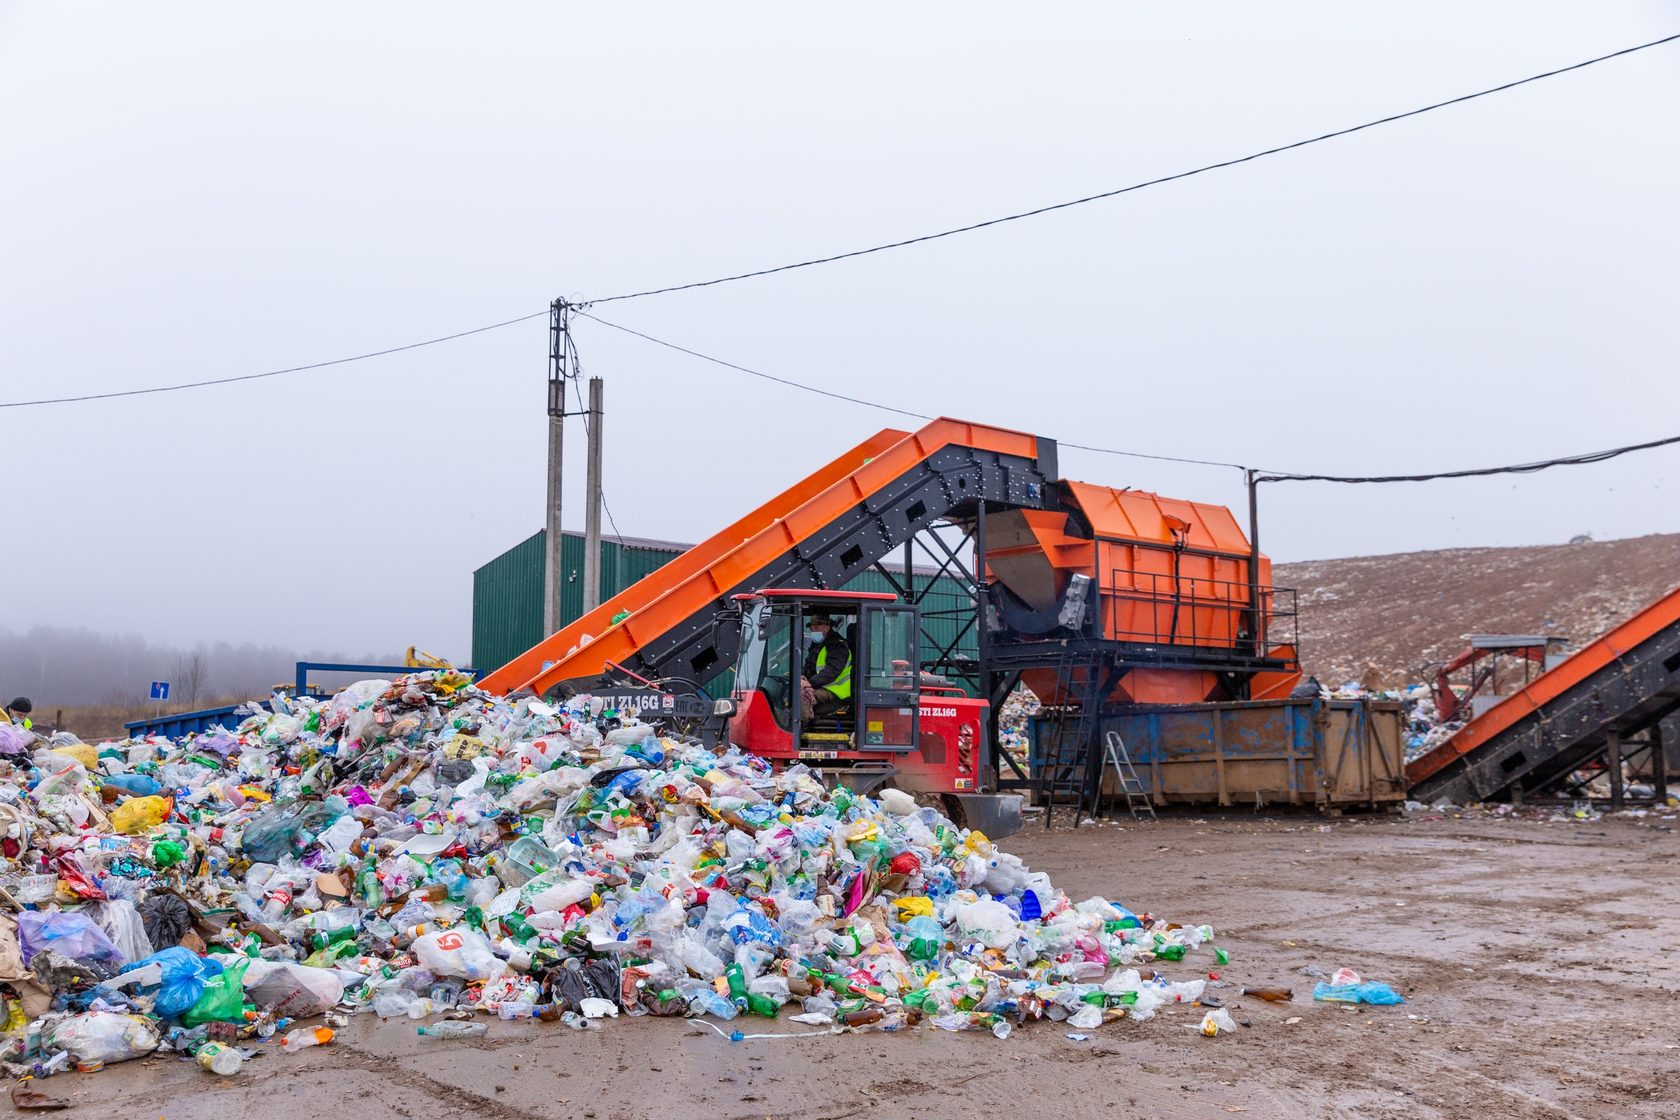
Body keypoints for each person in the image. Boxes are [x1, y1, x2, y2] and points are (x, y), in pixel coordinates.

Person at [800, 614, 852, 721]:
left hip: (836, 690)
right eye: (812, 628)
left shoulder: (837, 646)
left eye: (817, 628)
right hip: (822, 686)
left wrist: (810, 683)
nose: (813, 631)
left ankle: (799, 729)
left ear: (827, 627)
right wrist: (803, 676)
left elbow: (832, 670)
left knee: (803, 696)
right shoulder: (818, 646)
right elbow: (809, 665)